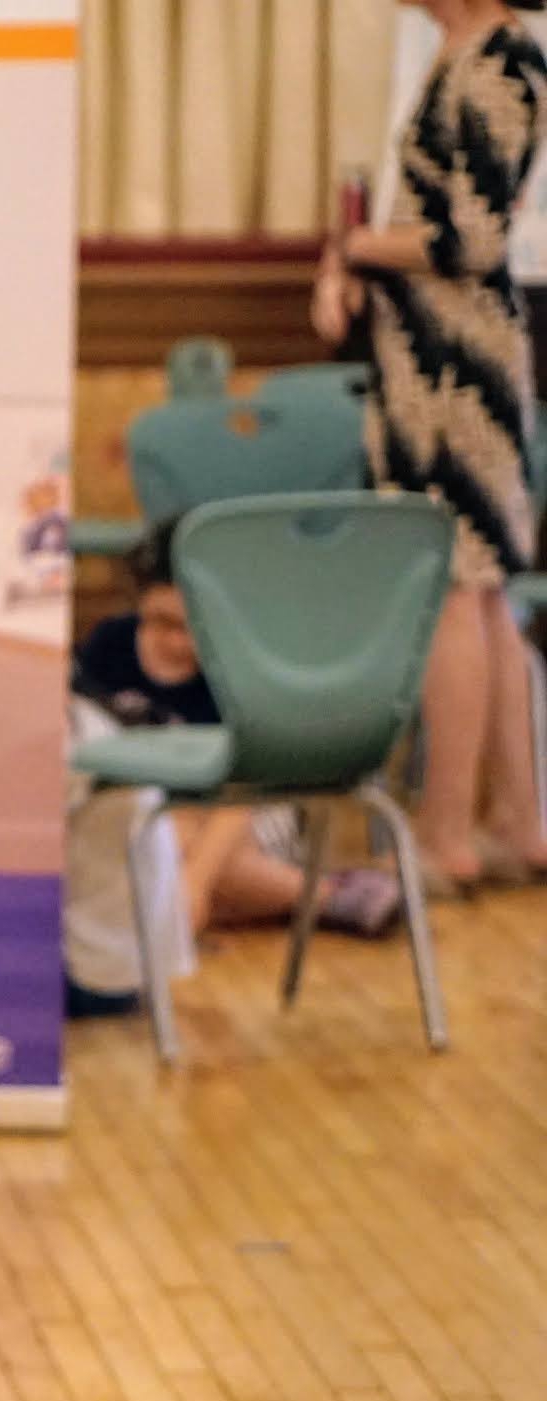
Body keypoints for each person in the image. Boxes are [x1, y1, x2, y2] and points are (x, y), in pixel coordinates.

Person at [316, 0, 547, 891]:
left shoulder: (496, 63)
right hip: (432, 359)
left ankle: (448, 832)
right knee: (480, 597)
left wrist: (356, 245)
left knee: (455, 587)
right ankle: (516, 823)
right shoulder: (462, 53)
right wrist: (350, 262)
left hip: (457, 362)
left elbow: (473, 239)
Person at [63, 528, 401, 1017]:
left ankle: (319, 895)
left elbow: (243, 792)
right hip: (161, 809)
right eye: (160, 622)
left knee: (162, 845)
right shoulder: (108, 645)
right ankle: (321, 894)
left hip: (246, 806)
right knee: (149, 840)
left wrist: (197, 882)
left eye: (193, 627)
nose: (177, 642)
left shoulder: (237, 669)